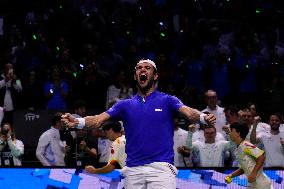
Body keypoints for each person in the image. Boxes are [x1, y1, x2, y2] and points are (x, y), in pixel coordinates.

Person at [62, 59, 216, 189]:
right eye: (139, 68)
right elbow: (97, 120)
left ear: (155, 76)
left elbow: (189, 113)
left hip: (161, 170)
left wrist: (203, 117)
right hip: (133, 171)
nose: (142, 70)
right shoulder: (124, 105)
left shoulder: (168, 100)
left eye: (147, 68)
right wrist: (78, 121)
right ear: (136, 76)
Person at [225, 122, 273, 189]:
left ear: (238, 133)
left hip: (261, 185)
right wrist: (231, 175)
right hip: (252, 184)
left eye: (232, 131)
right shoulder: (238, 149)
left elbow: (261, 157)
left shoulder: (246, 145)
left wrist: (253, 173)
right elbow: (243, 168)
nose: (230, 134)